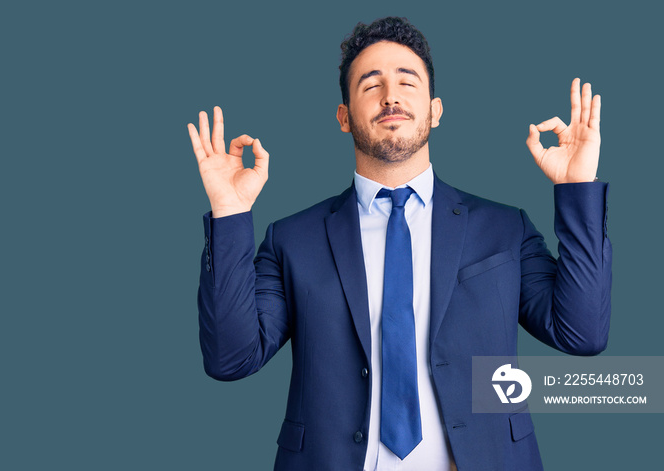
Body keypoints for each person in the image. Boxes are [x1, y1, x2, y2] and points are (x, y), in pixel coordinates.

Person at [187, 17, 611, 471]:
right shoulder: (292, 240)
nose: (390, 95)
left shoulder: (505, 229)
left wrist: (577, 187)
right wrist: (230, 211)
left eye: (407, 82)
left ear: (435, 110)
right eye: (371, 84)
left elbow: (582, 333)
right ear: (344, 116)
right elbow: (231, 358)